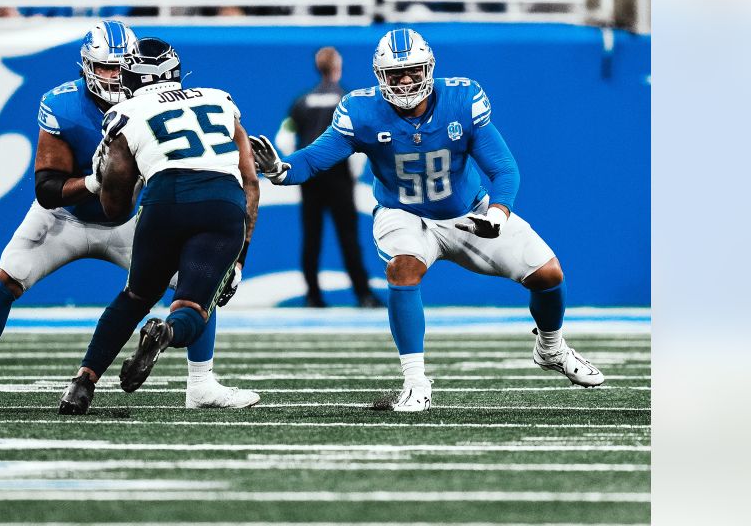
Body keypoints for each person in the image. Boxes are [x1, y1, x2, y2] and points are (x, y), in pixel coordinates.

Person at [250, 28, 605, 412]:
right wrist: (281, 170)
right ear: (379, 75)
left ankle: (550, 348)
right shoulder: (361, 110)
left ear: (429, 68)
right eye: (395, 74)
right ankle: (415, 382)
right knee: (403, 269)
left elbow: (504, 169)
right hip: (403, 214)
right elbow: (314, 158)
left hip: (469, 212)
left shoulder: (461, 99)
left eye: (413, 71)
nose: (405, 81)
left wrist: (498, 213)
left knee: (549, 274)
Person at [0, 23, 257, 414]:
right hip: (66, 217)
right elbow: (46, 188)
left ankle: (201, 383)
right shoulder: (64, 105)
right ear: (86, 67)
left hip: (127, 218)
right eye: (106, 68)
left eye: (121, 68)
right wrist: (94, 182)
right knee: (7, 276)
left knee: (191, 283)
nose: (115, 77)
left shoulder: (141, 107)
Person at [59, 37, 260, 415]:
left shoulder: (127, 113)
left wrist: (110, 175)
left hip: (164, 200)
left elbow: (115, 207)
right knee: (192, 307)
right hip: (222, 201)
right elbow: (250, 180)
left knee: (135, 296)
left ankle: (82, 383)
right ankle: (165, 333)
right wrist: (239, 259)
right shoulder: (218, 99)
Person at [283, 48, 380, 308]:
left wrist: (299, 163)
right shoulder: (347, 99)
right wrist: (355, 169)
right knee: (348, 237)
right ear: (337, 66)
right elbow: (361, 138)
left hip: (311, 176)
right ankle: (363, 294)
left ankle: (313, 295)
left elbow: (284, 137)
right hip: (338, 175)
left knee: (311, 237)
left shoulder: (302, 101)